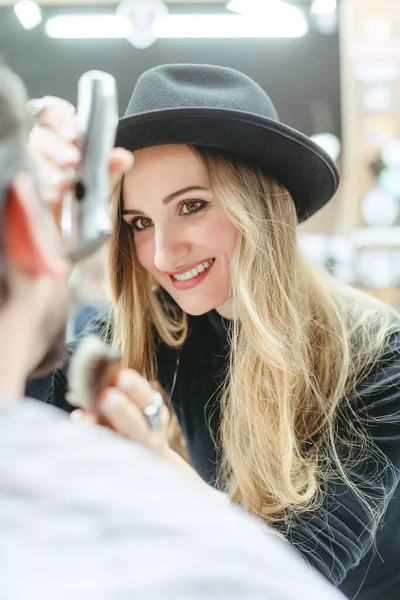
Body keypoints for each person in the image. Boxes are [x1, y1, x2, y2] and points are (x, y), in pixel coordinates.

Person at [30, 64, 400, 600]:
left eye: (191, 206)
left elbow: (292, 576)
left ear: (260, 207)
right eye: (140, 222)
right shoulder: (159, 325)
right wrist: (36, 236)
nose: (161, 253)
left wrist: (160, 471)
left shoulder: (377, 360)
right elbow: (18, 392)